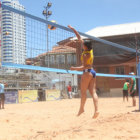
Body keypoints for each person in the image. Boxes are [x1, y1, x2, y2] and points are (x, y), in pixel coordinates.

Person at [68, 25, 99, 118]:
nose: (82, 44)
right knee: (93, 92)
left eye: (83, 44)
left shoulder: (86, 55)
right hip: (93, 72)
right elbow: (79, 38)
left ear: (86, 46)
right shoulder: (90, 50)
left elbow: (83, 67)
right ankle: (97, 110)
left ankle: (81, 109)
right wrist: (73, 29)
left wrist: (74, 68)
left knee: (83, 92)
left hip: (87, 73)